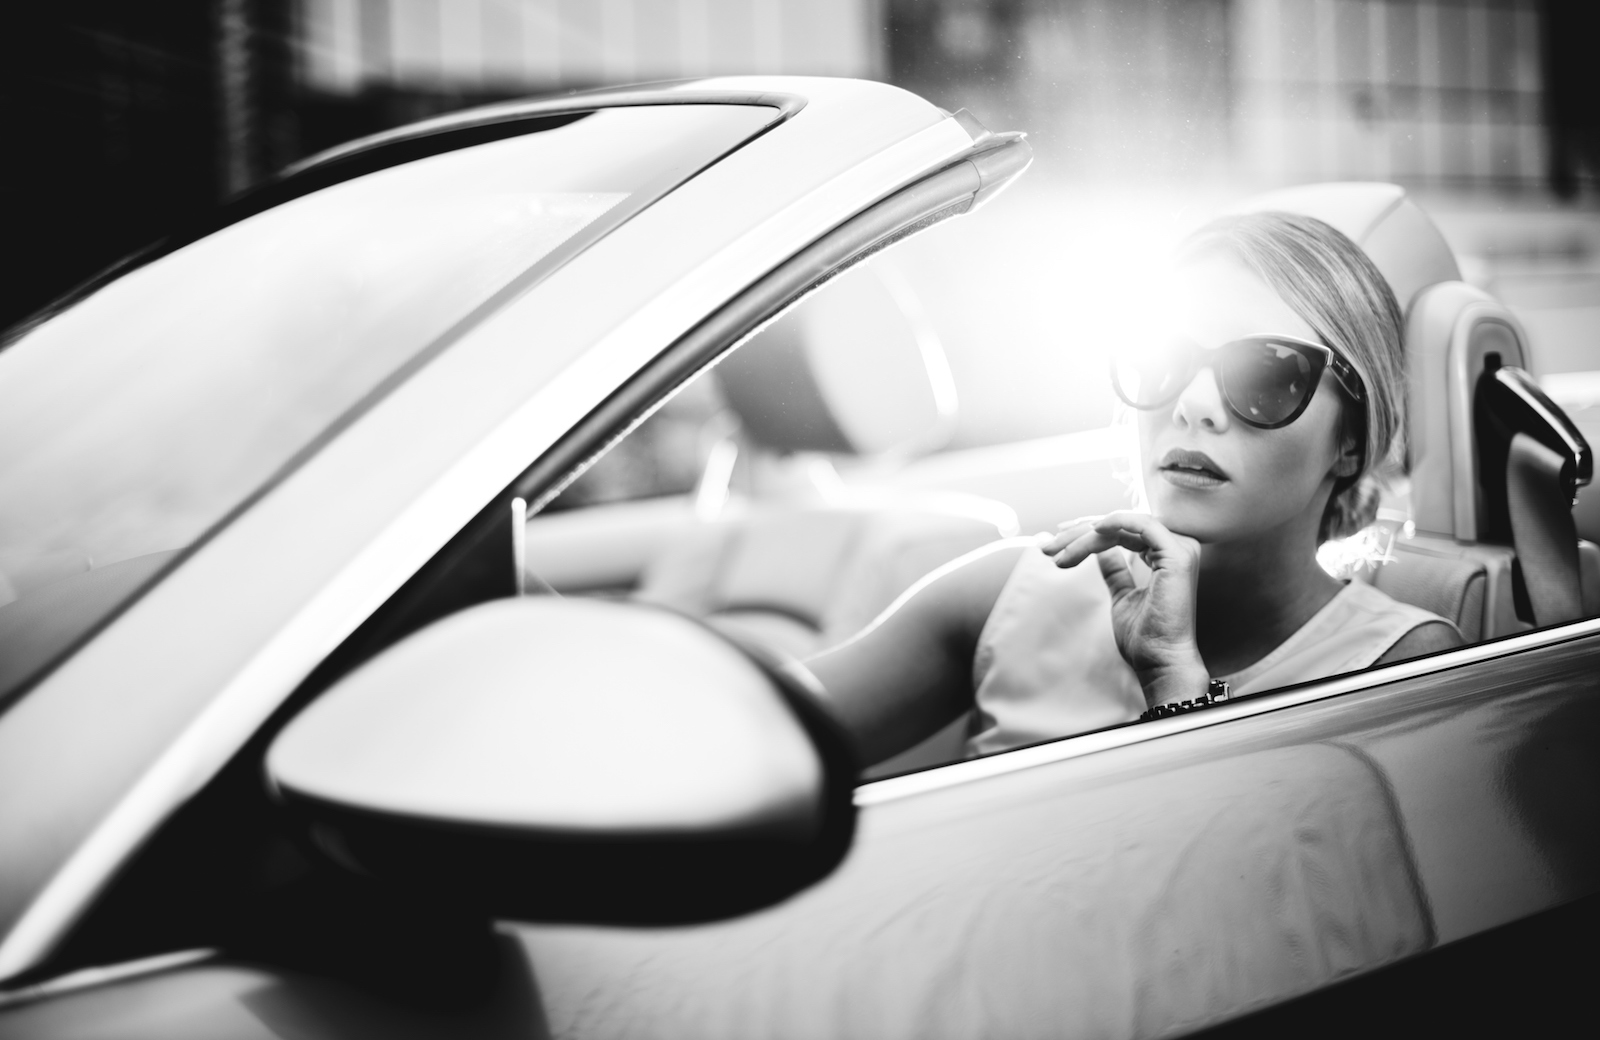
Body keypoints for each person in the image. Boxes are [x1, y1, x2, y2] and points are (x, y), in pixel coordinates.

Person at [804, 212, 1464, 767]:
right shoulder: (1013, 590)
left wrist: (1174, 682)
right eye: (1163, 356)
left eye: (1267, 375)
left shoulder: (1404, 665)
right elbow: (754, 736)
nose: (1194, 404)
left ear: (1352, 439)